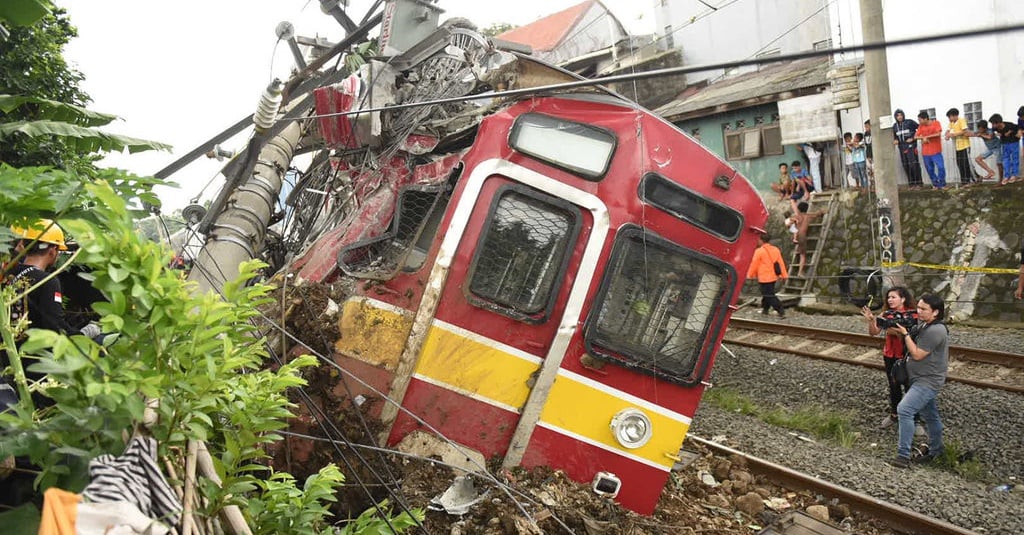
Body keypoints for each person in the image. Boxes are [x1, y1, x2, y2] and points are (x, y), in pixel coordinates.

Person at [889, 294, 949, 468]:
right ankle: (937, 451)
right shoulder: (925, 325)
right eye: (918, 307)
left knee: (905, 409)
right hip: (918, 378)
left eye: (923, 309)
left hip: (928, 381)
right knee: (930, 415)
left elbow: (917, 354)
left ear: (936, 312)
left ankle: (903, 456)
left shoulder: (936, 330)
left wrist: (906, 334)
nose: (919, 311)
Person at [860, 287, 919, 428]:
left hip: (908, 355)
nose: (890, 300)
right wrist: (871, 320)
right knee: (894, 386)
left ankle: (914, 419)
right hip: (890, 355)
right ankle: (894, 414)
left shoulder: (914, 314)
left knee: (911, 386)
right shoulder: (886, 314)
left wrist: (894, 330)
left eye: (893, 297)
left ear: (903, 299)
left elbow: (915, 331)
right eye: (888, 297)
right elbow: (874, 333)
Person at [747, 233, 787, 318]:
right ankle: (765, 309)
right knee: (768, 294)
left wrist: (750, 275)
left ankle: (780, 310)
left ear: (761, 240)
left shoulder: (759, 251)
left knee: (768, 295)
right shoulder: (775, 249)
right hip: (773, 276)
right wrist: (783, 275)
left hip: (764, 277)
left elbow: (754, 264)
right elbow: (780, 263)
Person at [915, 111, 946, 190]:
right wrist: (923, 138)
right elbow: (915, 136)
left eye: (920, 120)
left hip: (936, 151)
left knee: (941, 167)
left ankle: (942, 184)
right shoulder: (921, 126)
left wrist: (927, 137)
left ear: (925, 119)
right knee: (930, 169)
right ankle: (935, 184)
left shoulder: (936, 123)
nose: (919, 122)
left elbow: (938, 134)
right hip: (926, 152)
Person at [893, 109, 923, 188]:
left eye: (901, 115)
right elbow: (894, 136)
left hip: (911, 146)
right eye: (897, 115)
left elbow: (920, 128)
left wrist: (913, 138)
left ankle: (919, 183)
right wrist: (895, 140)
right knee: (905, 165)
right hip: (901, 148)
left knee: (913, 164)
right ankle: (911, 183)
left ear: (903, 115)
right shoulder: (895, 126)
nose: (899, 117)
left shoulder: (909, 122)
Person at [793, 201, 824, 278]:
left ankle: (800, 271)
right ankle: (800, 272)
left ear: (799, 209)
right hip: (802, 236)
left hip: (797, 236)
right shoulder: (808, 216)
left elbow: (790, 224)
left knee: (801, 254)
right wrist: (821, 212)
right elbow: (816, 215)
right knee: (803, 255)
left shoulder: (796, 217)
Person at [944, 108, 975, 186]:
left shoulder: (961, 120)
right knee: (960, 164)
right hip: (957, 147)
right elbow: (947, 130)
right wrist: (947, 135)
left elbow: (965, 131)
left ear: (955, 116)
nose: (949, 119)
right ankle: (964, 181)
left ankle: (970, 181)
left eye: (950, 117)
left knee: (966, 164)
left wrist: (954, 134)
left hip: (965, 145)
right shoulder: (951, 123)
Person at [989, 113, 1020, 185]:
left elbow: (1018, 128)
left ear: (999, 122)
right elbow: (992, 132)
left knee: (1015, 158)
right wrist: (996, 134)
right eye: (992, 124)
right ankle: (1006, 176)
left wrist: (1010, 132)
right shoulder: (995, 128)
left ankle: (1014, 175)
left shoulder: (1009, 125)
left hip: (1014, 142)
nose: (993, 126)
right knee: (1005, 159)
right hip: (1004, 143)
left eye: (994, 124)